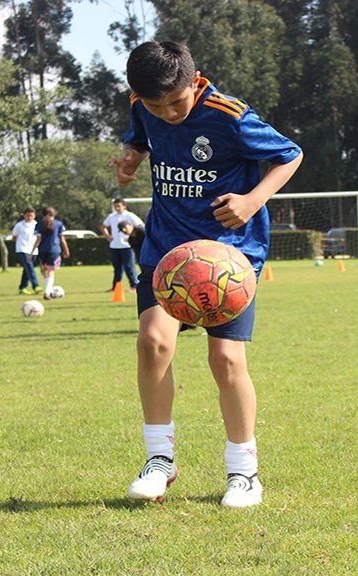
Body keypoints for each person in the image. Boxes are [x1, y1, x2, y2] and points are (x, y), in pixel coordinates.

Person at [110, 40, 303, 508]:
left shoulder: (229, 114)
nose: (169, 113)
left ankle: (244, 471)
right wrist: (132, 158)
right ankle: (160, 460)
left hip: (227, 257)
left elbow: (290, 155)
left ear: (194, 83)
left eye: (177, 102)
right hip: (167, 246)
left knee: (226, 361)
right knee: (152, 341)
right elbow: (139, 134)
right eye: (158, 106)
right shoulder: (144, 103)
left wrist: (252, 200)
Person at [100, 198, 144, 291]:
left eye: (119, 206)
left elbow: (141, 225)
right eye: (115, 206)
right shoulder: (111, 216)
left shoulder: (130, 215)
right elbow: (103, 226)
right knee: (117, 268)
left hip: (127, 246)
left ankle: (134, 285)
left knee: (129, 267)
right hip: (114, 246)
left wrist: (133, 236)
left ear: (124, 206)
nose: (117, 208)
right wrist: (108, 236)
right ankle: (116, 287)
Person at [34, 207, 70, 299]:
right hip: (54, 250)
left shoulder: (39, 224)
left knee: (46, 271)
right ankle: (47, 292)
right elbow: (62, 239)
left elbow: (38, 240)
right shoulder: (59, 224)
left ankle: (48, 291)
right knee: (51, 271)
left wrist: (32, 252)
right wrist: (66, 249)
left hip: (42, 251)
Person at [12, 207, 42, 294]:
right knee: (29, 267)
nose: (29, 217)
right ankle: (36, 285)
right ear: (24, 215)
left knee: (27, 269)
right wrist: (20, 244)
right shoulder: (19, 225)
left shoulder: (37, 225)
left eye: (31, 216)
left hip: (34, 250)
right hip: (23, 249)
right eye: (28, 215)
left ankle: (22, 287)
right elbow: (14, 237)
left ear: (34, 216)